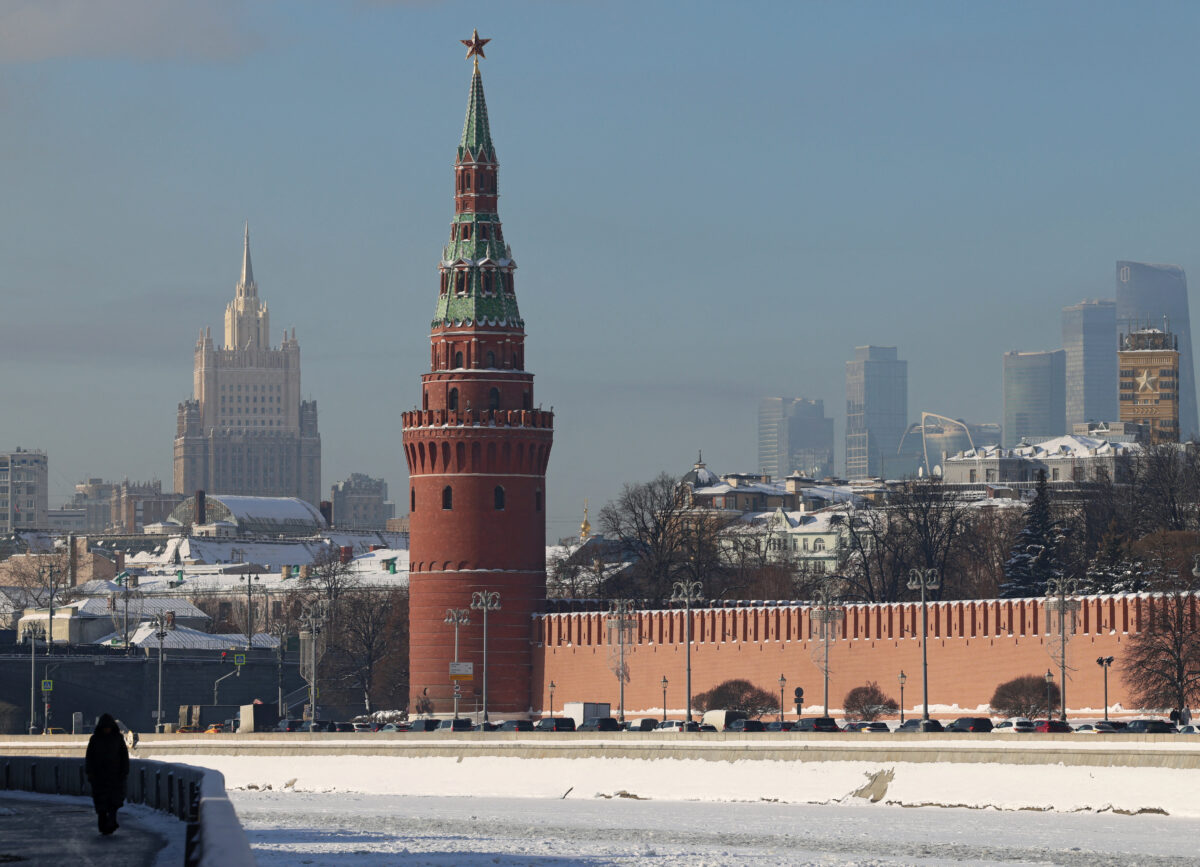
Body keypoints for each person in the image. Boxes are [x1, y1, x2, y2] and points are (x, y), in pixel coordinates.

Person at [85, 714, 129, 835]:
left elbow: (124, 757)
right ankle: (105, 824)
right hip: (99, 778)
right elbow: (90, 758)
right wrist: (90, 773)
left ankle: (110, 823)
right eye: (105, 728)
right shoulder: (95, 739)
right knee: (102, 804)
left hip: (114, 777)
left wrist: (124, 772)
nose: (106, 730)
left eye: (108, 727)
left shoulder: (117, 739)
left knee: (113, 802)